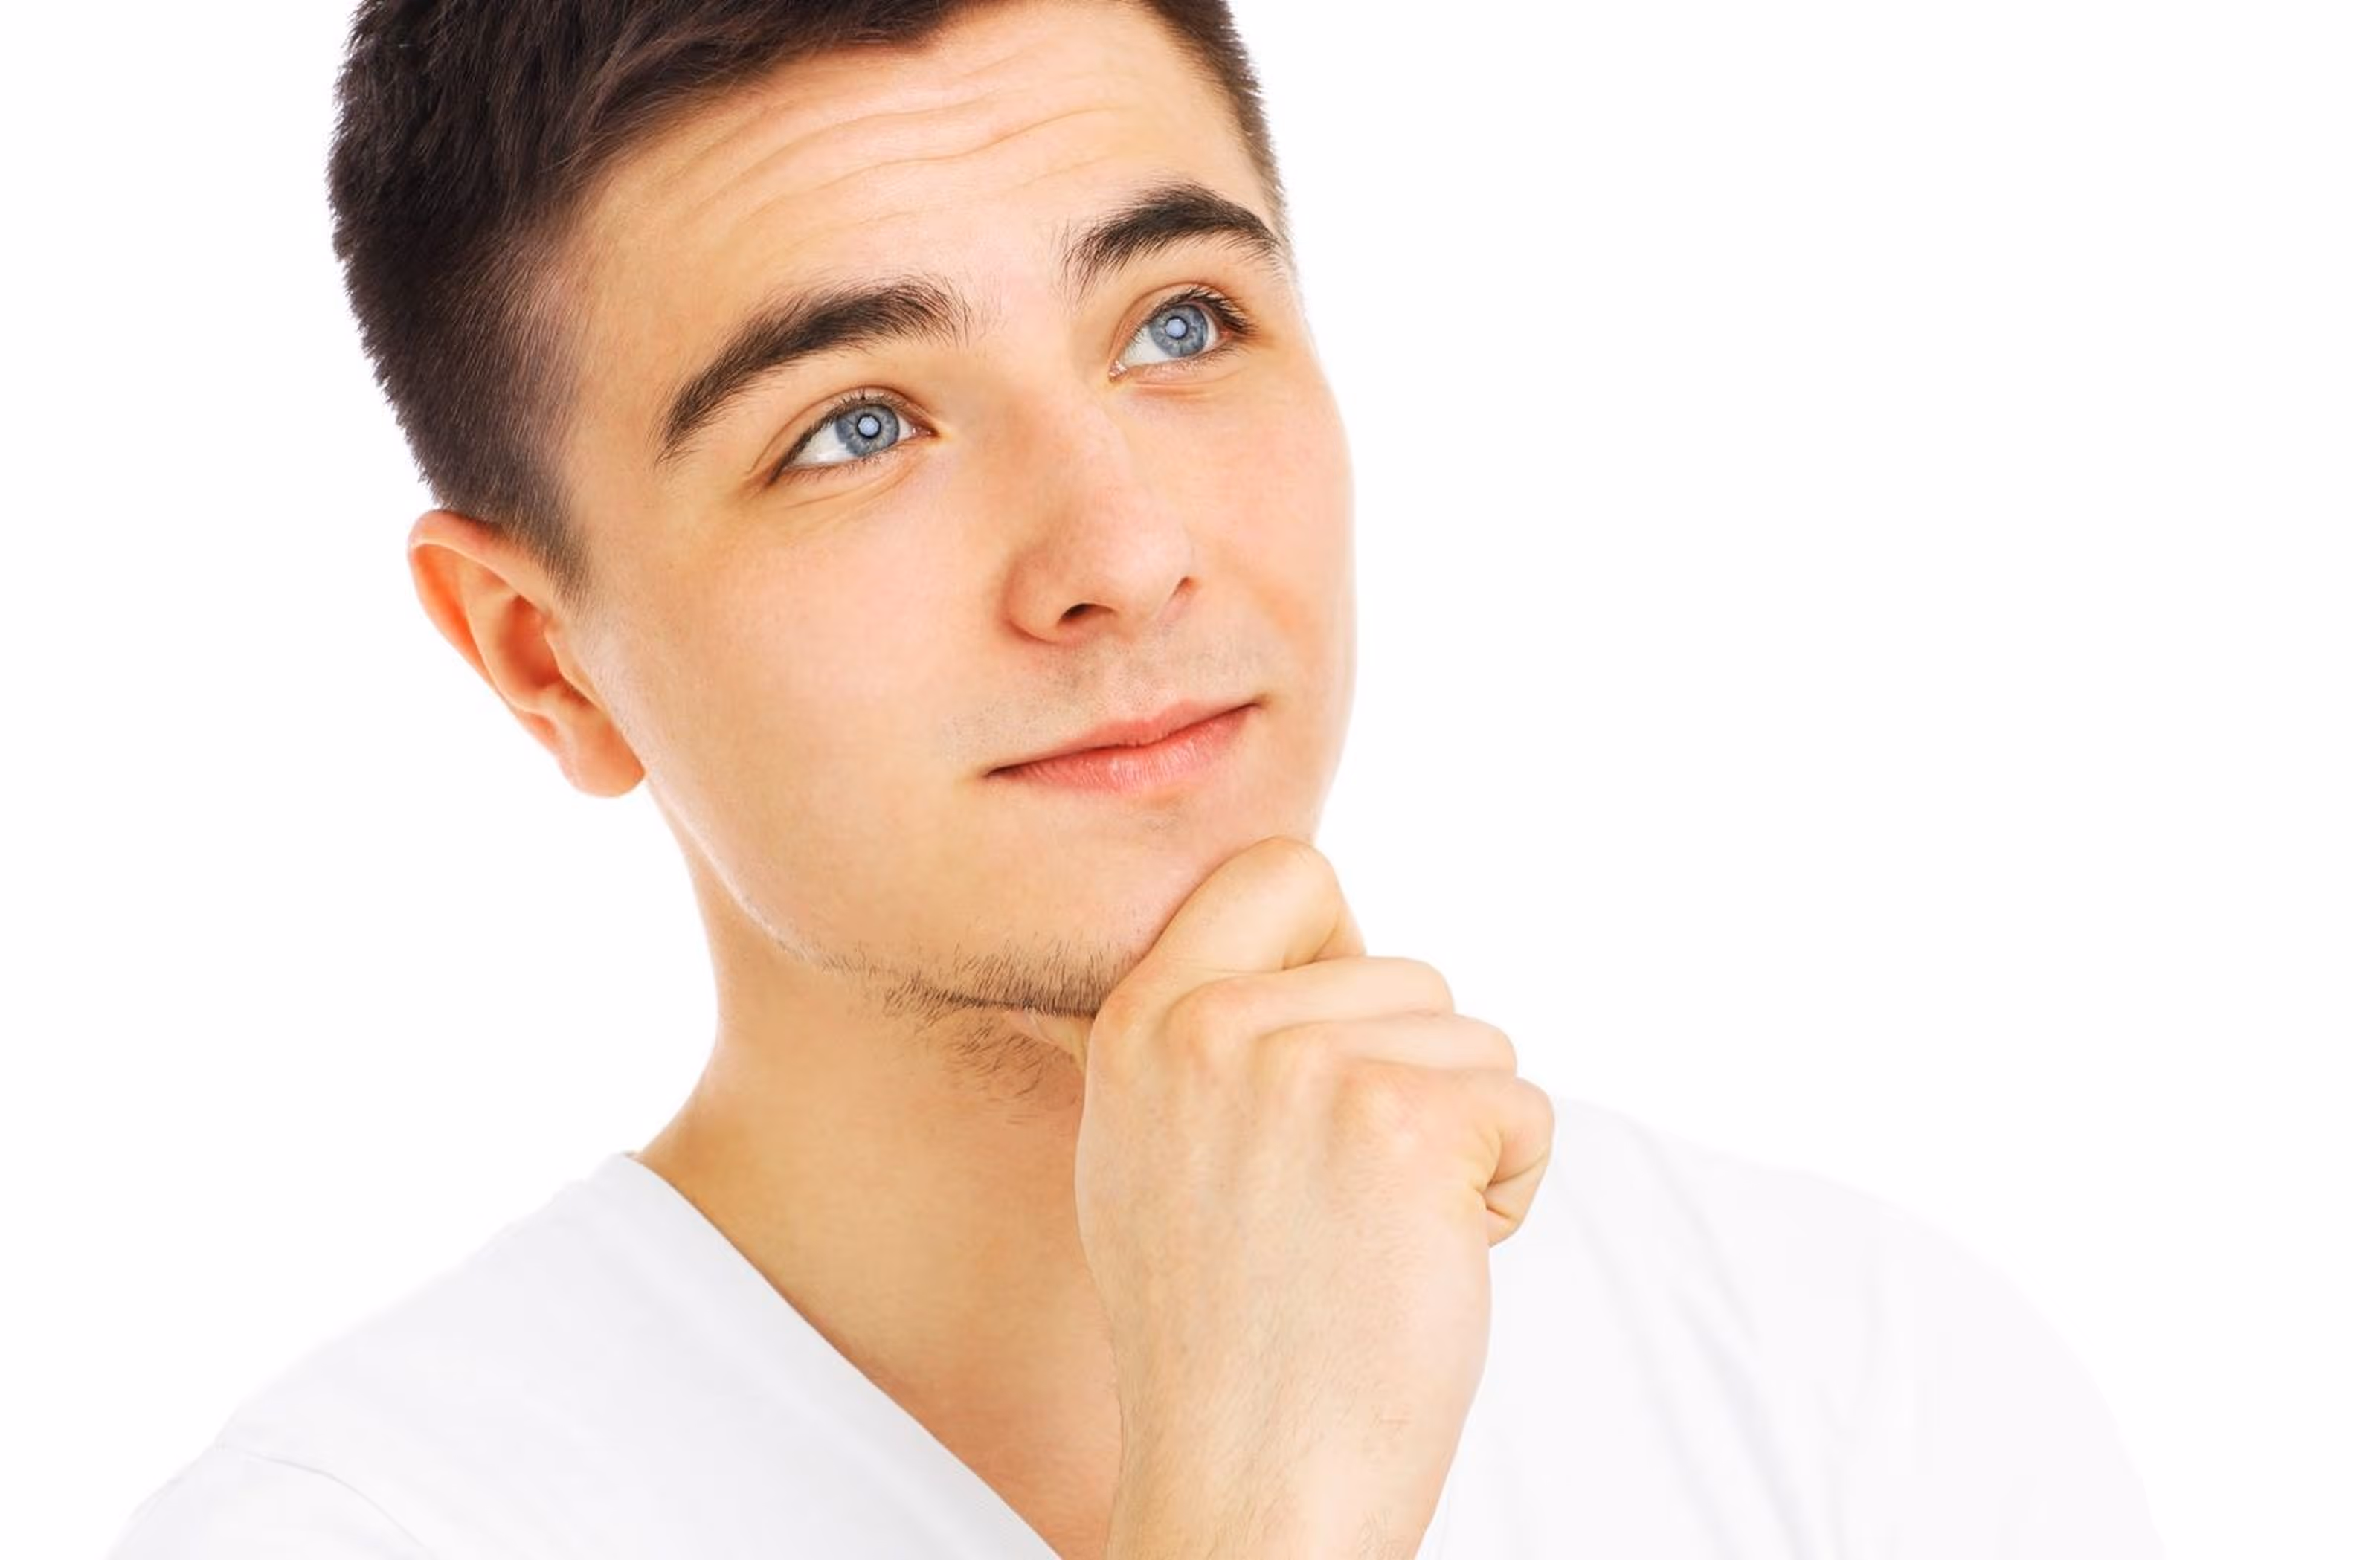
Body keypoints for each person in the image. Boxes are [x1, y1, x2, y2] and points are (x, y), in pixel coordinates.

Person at [106, 1, 2164, 1555]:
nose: (1122, 552)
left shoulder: (1844, 1375)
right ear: (540, 657)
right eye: (855, 429)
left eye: (1181, 322)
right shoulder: (358, 1521)